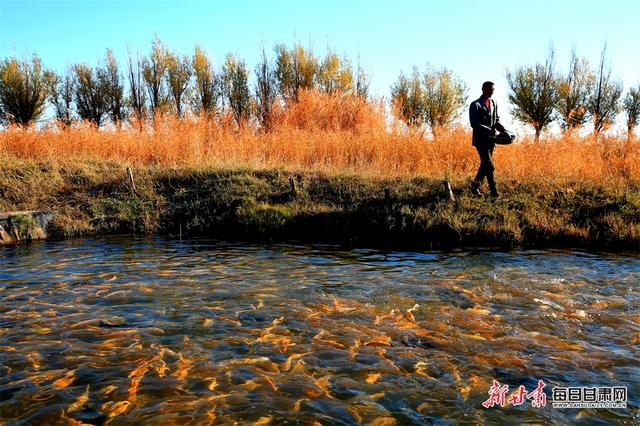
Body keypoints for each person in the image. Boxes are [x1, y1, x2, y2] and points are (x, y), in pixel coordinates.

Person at [469, 81, 505, 197]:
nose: (492, 92)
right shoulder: (475, 104)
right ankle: (494, 191)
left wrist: (503, 129)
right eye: (490, 89)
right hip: (480, 140)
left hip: (491, 141)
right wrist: (488, 129)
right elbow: (473, 123)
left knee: (485, 165)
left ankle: (474, 187)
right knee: (490, 165)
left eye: (493, 90)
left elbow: (496, 120)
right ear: (483, 89)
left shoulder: (494, 103)